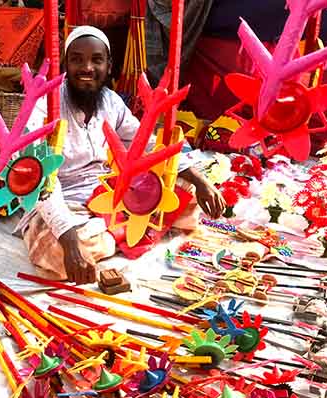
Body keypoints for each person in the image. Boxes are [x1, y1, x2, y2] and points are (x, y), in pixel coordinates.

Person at [18, 25, 225, 284]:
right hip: (62, 201)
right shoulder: (43, 106)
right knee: (58, 253)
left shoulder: (111, 101)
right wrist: (70, 241)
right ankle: (130, 232)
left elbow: (147, 144)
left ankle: (112, 233)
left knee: (187, 191)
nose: (87, 68)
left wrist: (199, 179)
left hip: (109, 192)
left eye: (96, 60)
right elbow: (40, 179)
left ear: (108, 65)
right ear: (65, 64)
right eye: (77, 59)